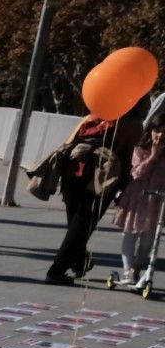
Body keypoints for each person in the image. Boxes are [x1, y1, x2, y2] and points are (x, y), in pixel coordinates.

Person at [46, 107, 142, 286]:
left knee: (76, 224)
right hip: (99, 180)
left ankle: (79, 262)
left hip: (72, 172)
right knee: (82, 226)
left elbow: (69, 143)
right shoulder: (132, 125)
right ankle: (56, 271)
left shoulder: (92, 117)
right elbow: (128, 158)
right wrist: (123, 188)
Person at [109, 122, 164, 291]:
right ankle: (127, 272)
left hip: (157, 198)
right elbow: (136, 173)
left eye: (164, 132)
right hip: (138, 195)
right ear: (151, 131)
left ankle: (137, 268)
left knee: (150, 237)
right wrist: (153, 157)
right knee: (131, 233)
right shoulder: (141, 148)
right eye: (157, 131)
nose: (160, 136)